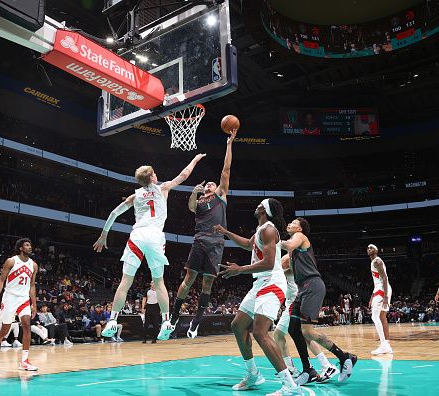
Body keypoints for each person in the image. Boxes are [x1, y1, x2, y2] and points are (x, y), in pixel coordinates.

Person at [93, 154, 206, 341]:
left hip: (137, 236)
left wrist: (104, 234)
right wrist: (195, 160)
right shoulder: (163, 188)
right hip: (154, 237)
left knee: (125, 281)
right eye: (154, 173)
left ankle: (112, 320)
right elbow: (184, 175)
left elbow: (114, 213)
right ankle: (166, 322)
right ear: (152, 177)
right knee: (159, 281)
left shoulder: (134, 196)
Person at [215, 198, 300, 395]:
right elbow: (247, 244)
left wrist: (240, 269)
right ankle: (254, 375)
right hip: (260, 283)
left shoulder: (269, 230)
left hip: (272, 281)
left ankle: (290, 385)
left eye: (260, 204)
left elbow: (269, 263)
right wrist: (226, 233)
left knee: (260, 332)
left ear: (265, 210)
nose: (257, 205)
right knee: (238, 325)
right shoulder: (260, 229)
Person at [171, 130, 236, 338]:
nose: (209, 185)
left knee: (207, 282)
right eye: (207, 184)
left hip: (216, 242)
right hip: (199, 240)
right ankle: (173, 317)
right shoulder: (199, 201)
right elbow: (190, 208)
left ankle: (196, 323)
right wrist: (194, 192)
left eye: (212, 184)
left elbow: (226, 170)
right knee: (189, 277)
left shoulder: (220, 196)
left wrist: (228, 145)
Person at [282, 218, 357, 384]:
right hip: (302, 288)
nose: (289, 224)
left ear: (300, 228)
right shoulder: (292, 251)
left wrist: (271, 240)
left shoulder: (300, 237)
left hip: (312, 285)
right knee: (293, 329)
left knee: (307, 331)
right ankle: (308, 370)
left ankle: (345, 357)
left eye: (293, 222)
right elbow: (293, 272)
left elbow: (288, 245)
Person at [273, 254, 338, 382]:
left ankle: (324, 366)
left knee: (298, 335)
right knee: (286, 335)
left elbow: (287, 270)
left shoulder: (289, 259)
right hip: (291, 302)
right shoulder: (288, 260)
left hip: (295, 302)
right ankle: (298, 368)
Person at [0, 238, 38, 371]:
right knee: (5, 329)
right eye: (27, 245)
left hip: (23, 299)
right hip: (9, 298)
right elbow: (1, 280)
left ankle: (24, 361)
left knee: (26, 325)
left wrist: (34, 304)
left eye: (30, 245)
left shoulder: (34, 265)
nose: (30, 247)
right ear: (21, 248)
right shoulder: (11, 261)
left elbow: (32, 286)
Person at [367, 244, 392, 354]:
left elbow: (384, 278)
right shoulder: (374, 262)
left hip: (383, 290)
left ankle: (383, 345)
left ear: (377, 250)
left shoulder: (376, 261)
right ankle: (387, 344)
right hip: (381, 290)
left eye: (372, 247)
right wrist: (372, 296)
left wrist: (385, 296)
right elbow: (377, 282)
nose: (369, 249)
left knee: (374, 316)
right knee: (382, 316)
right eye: (368, 248)